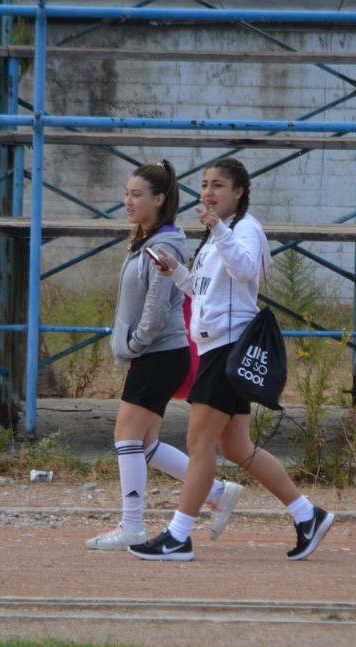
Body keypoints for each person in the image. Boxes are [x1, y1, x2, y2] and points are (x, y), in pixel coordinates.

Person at [128, 157, 335, 562]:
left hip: (228, 347)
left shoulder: (245, 228)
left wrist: (218, 229)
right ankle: (307, 515)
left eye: (218, 185)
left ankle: (178, 536)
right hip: (217, 347)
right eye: (205, 184)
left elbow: (244, 271)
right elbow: (205, 291)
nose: (208, 192)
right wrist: (176, 272)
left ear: (238, 192)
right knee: (237, 446)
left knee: (199, 443)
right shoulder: (217, 235)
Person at [85, 159, 243, 551]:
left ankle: (132, 527)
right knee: (146, 444)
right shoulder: (150, 238)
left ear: (159, 199)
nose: (128, 201)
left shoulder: (164, 243)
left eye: (136, 194)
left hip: (158, 352)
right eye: (126, 194)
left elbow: (156, 309)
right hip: (158, 353)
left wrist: (134, 344)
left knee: (126, 438)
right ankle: (217, 491)